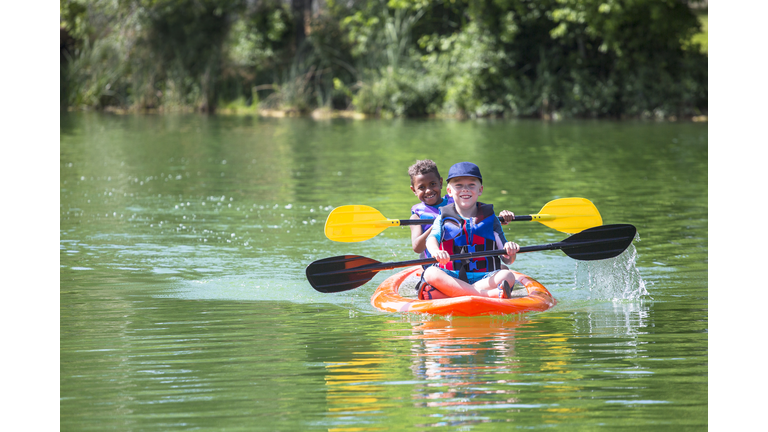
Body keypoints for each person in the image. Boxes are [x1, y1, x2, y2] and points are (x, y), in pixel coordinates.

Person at [419, 162, 521, 300]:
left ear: (480, 190)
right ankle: (488, 295)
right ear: (449, 191)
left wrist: (511, 252)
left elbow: (507, 260)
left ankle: (444, 294)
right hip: (451, 275)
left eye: (471, 185)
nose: (465, 189)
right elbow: (431, 240)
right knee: (430, 273)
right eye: (458, 185)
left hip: (485, 276)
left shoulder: (491, 218)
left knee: (507, 275)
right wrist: (436, 251)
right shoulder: (442, 217)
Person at [408, 160, 514, 258]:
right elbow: (417, 248)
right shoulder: (416, 216)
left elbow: (479, 215)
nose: (428, 191)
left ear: (440, 183)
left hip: (467, 258)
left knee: (503, 267)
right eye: (422, 187)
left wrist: (499, 219)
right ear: (414, 190)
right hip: (438, 263)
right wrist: (439, 224)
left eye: (433, 184)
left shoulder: (458, 199)